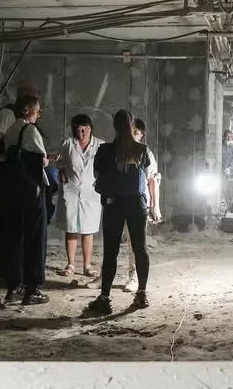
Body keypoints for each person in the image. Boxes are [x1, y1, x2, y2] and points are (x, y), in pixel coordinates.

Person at [86, 109, 154, 315]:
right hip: (137, 203)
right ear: (131, 126)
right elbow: (146, 171)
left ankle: (105, 298)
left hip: (113, 203)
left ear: (114, 127)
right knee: (140, 248)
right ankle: (141, 293)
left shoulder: (105, 150)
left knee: (111, 252)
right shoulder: (142, 150)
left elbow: (97, 174)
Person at [0, 80, 40, 283]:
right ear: (21, 96)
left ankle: (11, 271)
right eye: (32, 93)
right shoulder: (8, 115)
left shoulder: (22, 118)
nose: (36, 97)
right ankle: (2, 271)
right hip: (6, 174)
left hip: (14, 176)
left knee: (14, 225)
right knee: (8, 225)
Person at [0, 94, 50, 306]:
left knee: (15, 238)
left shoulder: (10, 130)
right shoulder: (30, 130)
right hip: (32, 192)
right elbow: (42, 160)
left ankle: (14, 287)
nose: (38, 115)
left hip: (13, 191)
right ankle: (32, 288)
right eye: (37, 111)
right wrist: (48, 160)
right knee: (35, 239)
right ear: (28, 111)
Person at [55, 114, 104, 278]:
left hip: (91, 193)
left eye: (85, 129)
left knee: (88, 230)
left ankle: (87, 265)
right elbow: (60, 166)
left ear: (90, 129)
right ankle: (70, 264)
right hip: (71, 192)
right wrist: (63, 183)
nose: (81, 133)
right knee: (71, 229)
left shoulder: (100, 145)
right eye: (78, 130)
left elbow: (104, 169)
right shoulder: (68, 144)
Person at [122, 118, 161, 293]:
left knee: (134, 242)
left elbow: (152, 180)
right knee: (113, 240)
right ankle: (105, 275)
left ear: (142, 135)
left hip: (138, 202)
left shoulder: (146, 153)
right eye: (131, 131)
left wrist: (155, 206)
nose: (133, 135)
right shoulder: (119, 151)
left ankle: (134, 276)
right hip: (119, 201)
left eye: (136, 132)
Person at [222, 129, 233, 213]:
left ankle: (232, 207)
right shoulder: (220, 147)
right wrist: (222, 169)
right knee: (225, 189)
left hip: (230, 172)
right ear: (225, 137)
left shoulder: (231, 148)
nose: (230, 139)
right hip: (221, 172)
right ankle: (228, 205)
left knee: (230, 190)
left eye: (231, 137)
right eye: (229, 137)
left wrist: (230, 168)